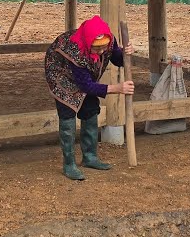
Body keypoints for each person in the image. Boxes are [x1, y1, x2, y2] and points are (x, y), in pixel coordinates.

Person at [43, 15, 135, 181]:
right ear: (87, 43)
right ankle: (69, 164)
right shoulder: (75, 51)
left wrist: (125, 54)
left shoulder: (108, 41)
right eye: (96, 49)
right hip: (61, 75)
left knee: (91, 109)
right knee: (68, 113)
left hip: (83, 77)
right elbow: (85, 86)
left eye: (103, 49)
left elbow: (117, 59)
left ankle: (90, 156)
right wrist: (117, 88)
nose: (101, 52)